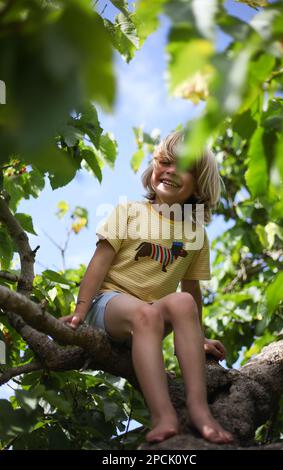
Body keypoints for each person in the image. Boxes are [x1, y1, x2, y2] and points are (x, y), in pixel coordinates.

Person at [60, 130, 234, 444]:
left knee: (181, 304)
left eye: (180, 167)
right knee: (146, 315)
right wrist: (80, 311)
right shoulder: (130, 212)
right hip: (108, 305)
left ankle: (198, 409)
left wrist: (200, 336)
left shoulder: (195, 233)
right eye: (164, 162)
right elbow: (99, 262)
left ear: (199, 184)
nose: (168, 170)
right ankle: (162, 416)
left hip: (150, 318)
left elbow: (191, 292)